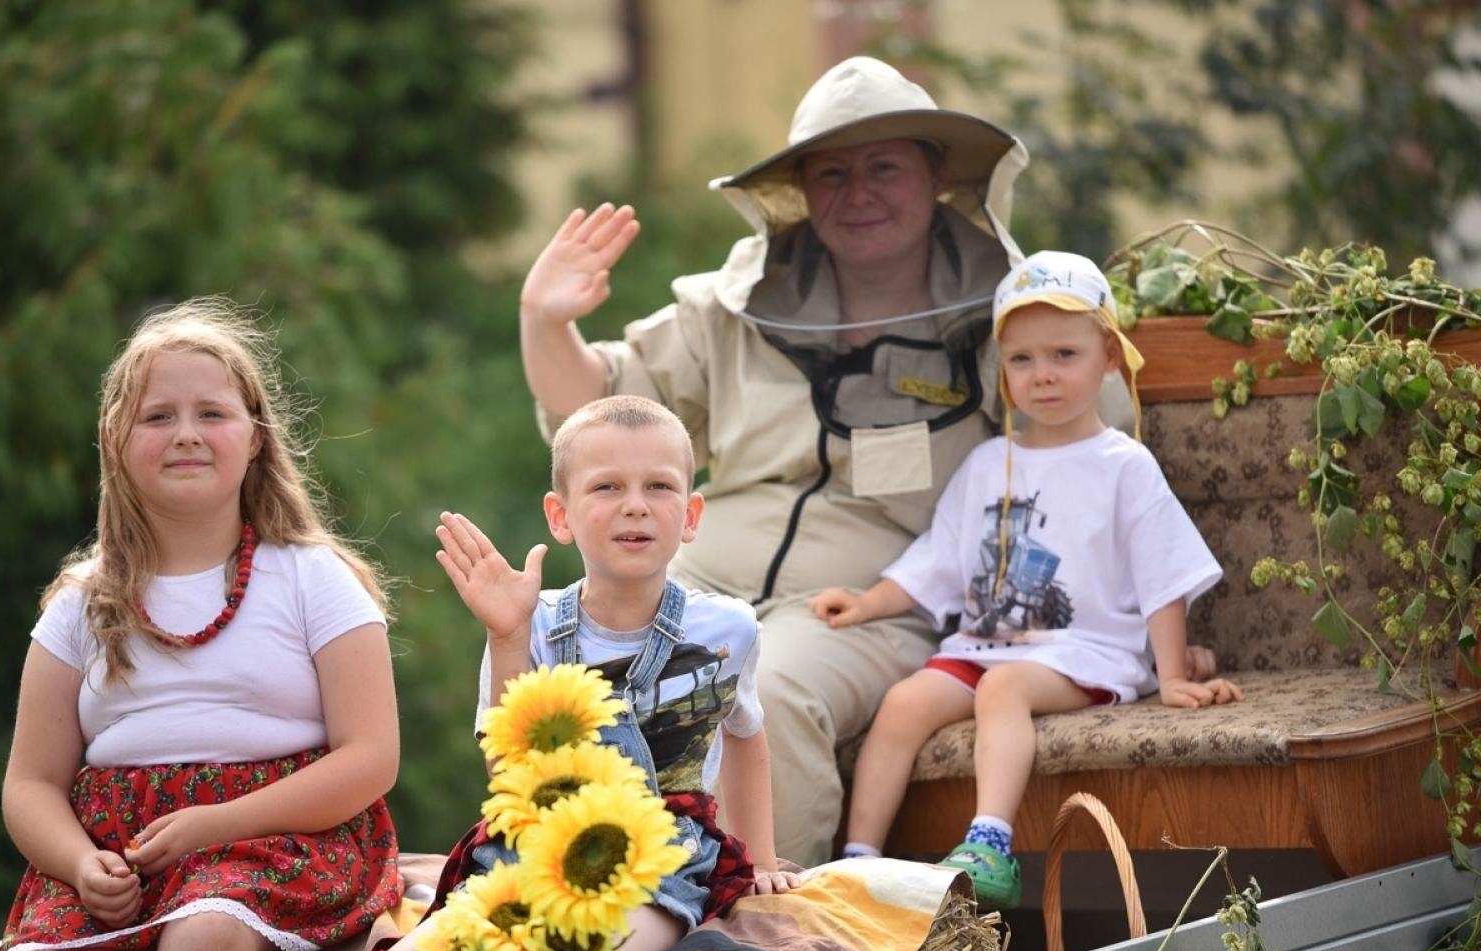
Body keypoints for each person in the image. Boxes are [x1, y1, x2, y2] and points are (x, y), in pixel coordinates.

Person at [513, 56, 1216, 866]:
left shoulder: (1010, 313)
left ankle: (773, 919)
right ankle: (570, 896)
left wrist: (1140, 643)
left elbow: (1098, 468)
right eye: (832, 173)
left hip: (872, 606)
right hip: (699, 571)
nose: (859, 194)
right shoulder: (732, 303)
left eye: (884, 167)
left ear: (937, 174)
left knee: (770, 686)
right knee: (563, 650)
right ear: (801, 191)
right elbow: (601, 411)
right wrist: (544, 320)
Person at [0, 298, 402, 951]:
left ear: (255, 438)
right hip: (118, 857)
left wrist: (214, 824)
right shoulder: (80, 603)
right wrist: (79, 863)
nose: (186, 433)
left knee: (203, 940)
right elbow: (31, 783)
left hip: (279, 842)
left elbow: (371, 757)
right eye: (157, 416)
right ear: (114, 441)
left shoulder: (312, 578)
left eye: (211, 413)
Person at [311, 396, 799, 951]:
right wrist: (507, 637)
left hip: (662, 860)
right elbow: (509, 778)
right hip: (533, 851)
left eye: (658, 486)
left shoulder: (727, 629)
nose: (635, 506)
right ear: (560, 516)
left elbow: (745, 731)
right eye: (607, 487)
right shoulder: (530, 620)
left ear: (690, 516)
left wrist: (761, 861)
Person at [811, 250, 1244, 909]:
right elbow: (939, 558)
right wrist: (868, 603)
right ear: (1002, 369)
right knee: (902, 703)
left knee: (1004, 689)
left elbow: (1165, 575)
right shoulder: (989, 463)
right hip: (987, 644)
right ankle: (857, 863)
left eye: (1064, 355)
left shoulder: (1123, 465)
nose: (1042, 375)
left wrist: (1171, 673)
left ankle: (990, 842)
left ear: (1109, 356)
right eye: (1022, 359)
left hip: (1082, 651)